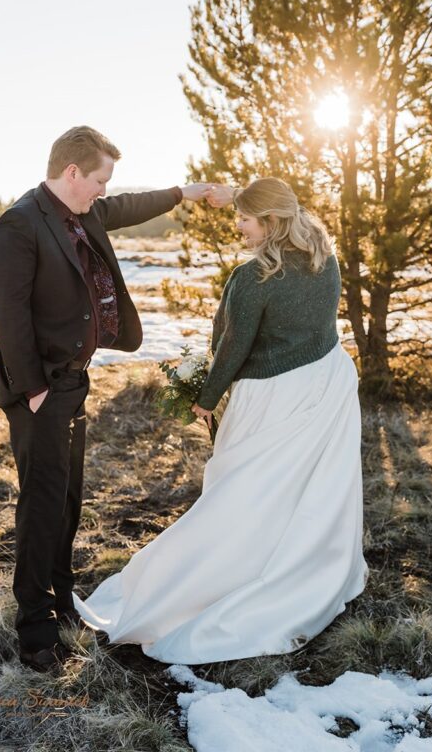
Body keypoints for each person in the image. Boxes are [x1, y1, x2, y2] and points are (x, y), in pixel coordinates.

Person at [73, 177, 368, 664]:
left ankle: (204, 581)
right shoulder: (323, 255)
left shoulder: (252, 279)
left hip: (274, 395)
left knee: (244, 491)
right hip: (329, 380)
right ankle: (313, 565)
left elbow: (232, 348)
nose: (238, 226)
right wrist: (244, 196)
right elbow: (290, 205)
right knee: (313, 487)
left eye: (246, 219)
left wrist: (206, 399)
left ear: (270, 224)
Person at [0, 125, 213, 672]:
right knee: (40, 507)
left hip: (74, 383)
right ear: (71, 173)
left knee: (67, 501)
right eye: (99, 180)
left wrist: (186, 193)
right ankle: (36, 632)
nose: (104, 191)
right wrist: (35, 390)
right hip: (39, 390)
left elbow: (133, 205)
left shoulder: (85, 213)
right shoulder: (19, 225)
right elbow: (9, 316)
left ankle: (62, 603)